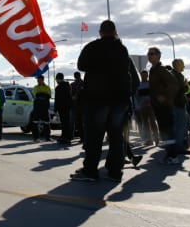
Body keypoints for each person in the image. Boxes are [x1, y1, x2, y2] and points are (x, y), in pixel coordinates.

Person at [71, 20, 132, 183]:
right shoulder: (122, 49)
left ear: (100, 32)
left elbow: (81, 65)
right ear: (115, 32)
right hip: (119, 99)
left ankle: (90, 171)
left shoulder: (92, 47)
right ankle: (115, 172)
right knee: (116, 136)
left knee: (94, 137)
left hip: (98, 98)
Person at [147, 47, 179, 164]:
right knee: (164, 130)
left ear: (159, 56)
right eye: (149, 54)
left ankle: (173, 156)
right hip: (158, 106)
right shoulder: (153, 70)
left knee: (168, 130)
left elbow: (174, 84)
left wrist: (164, 96)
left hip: (165, 106)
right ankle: (169, 154)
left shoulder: (161, 69)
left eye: (153, 54)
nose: (150, 56)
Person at [171, 59, 190, 154]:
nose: (183, 66)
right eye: (182, 64)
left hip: (173, 103)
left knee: (177, 126)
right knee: (180, 127)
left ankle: (176, 146)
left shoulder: (171, 74)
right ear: (178, 65)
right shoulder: (178, 75)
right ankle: (179, 147)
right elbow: (181, 89)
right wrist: (186, 86)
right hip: (178, 103)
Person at [136, 70, 159, 146]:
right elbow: (137, 96)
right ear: (141, 75)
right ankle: (150, 140)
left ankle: (157, 139)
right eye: (143, 75)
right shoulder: (138, 85)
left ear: (147, 75)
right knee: (146, 124)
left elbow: (155, 94)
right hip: (142, 107)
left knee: (153, 123)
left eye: (146, 75)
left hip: (151, 106)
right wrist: (140, 104)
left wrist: (151, 102)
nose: (144, 76)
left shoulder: (151, 84)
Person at [31, 75, 52, 142]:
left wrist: (41, 95)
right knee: (35, 122)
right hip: (37, 108)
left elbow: (48, 96)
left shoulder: (47, 87)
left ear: (43, 80)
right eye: (37, 80)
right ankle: (36, 138)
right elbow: (36, 95)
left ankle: (47, 138)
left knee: (47, 123)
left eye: (39, 79)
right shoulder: (35, 87)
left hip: (45, 108)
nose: (38, 81)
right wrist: (43, 95)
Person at [54, 73, 72, 145]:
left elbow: (57, 100)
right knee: (67, 122)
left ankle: (64, 137)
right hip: (67, 107)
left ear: (58, 79)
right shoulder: (68, 86)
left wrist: (55, 109)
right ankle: (68, 137)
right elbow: (69, 97)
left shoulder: (58, 88)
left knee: (63, 122)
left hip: (61, 107)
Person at [70, 71, 84, 142]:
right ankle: (84, 138)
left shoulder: (72, 84)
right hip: (84, 106)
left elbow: (70, 95)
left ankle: (81, 137)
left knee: (78, 122)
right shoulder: (84, 83)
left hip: (75, 105)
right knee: (84, 122)